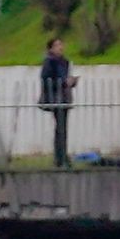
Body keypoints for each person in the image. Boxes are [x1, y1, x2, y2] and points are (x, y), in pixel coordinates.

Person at [39, 37, 79, 169]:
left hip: (64, 98)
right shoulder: (49, 62)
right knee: (60, 128)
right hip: (55, 98)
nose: (60, 47)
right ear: (51, 48)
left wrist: (72, 81)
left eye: (61, 44)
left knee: (62, 128)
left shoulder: (65, 62)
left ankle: (62, 156)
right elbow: (46, 80)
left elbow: (65, 78)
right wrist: (63, 82)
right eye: (57, 45)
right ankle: (60, 158)